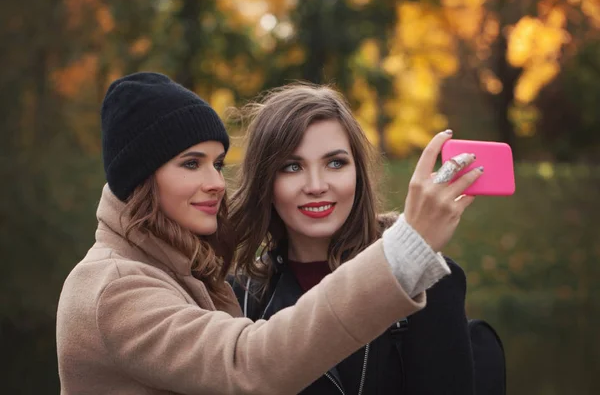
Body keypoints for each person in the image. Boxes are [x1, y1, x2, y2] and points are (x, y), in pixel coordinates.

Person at [55, 72, 478, 395]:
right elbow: (250, 363)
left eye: (218, 164)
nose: (217, 183)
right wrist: (403, 249)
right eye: (191, 163)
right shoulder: (119, 287)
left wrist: (399, 242)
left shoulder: (192, 273)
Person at [229, 83, 482, 394]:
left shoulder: (427, 281)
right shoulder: (238, 296)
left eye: (335, 163)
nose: (316, 185)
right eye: (292, 167)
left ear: (358, 174)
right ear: (265, 182)